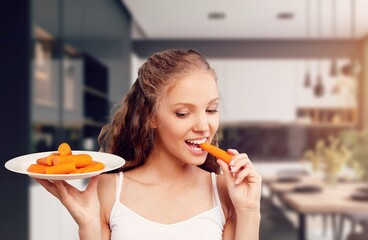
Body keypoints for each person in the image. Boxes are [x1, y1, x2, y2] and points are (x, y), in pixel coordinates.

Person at [35, 49, 262, 240]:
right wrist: (88, 227)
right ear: (151, 117)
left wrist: (249, 210)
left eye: (211, 109)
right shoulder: (108, 189)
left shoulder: (224, 193)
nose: (204, 126)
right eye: (183, 113)